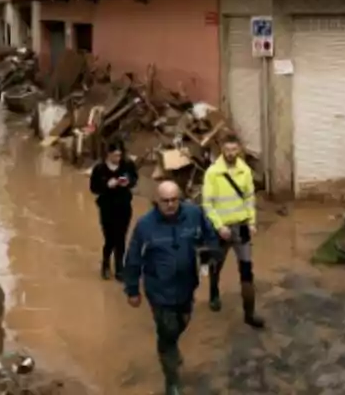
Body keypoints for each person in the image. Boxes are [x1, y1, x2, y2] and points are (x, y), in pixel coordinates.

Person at [123, 180, 218, 395]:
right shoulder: (145, 225)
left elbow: (208, 237)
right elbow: (133, 258)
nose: (170, 205)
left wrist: (206, 262)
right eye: (165, 201)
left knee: (181, 324)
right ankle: (172, 381)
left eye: (174, 200)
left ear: (180, 199)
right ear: (156, 201)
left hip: (186, 286)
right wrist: (132, 290)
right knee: (167, 332)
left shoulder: (194, 214)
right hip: (159, 290)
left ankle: (171, 348)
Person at [201, 134, 264, 327]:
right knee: (216, 264)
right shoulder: (213, 173)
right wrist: (219, 226)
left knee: (246, 269)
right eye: (227, 150)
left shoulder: (244, 171)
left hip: (242, 226)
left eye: (234, 149)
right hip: (222, 229)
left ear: (239, 149)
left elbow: (249, 198)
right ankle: (214, 293)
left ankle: (250, 313)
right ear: (221, 150)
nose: (231, 153)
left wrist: (252, 222)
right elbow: (207, 203)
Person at [89, 141, 138, 280]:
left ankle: (119, 269)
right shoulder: (99, 169)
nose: (118, 158)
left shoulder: (127, 165)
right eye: (115, 156)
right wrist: (106, 185)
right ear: (108, 154)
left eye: (120, 155)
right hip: (107, 207)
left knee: (121, 238)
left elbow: (134, 178)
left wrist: (128, 181)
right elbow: (93, 188)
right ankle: (105, 264)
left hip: (123, 206)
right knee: (110, 238)